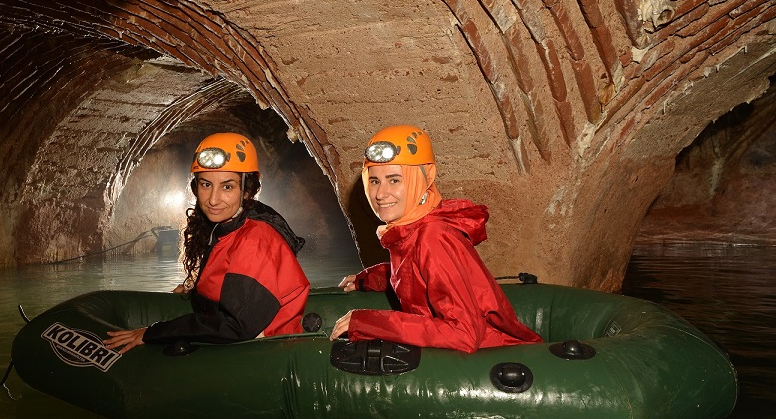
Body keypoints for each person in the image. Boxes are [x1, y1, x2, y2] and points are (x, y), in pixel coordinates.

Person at [331, 124, 541, 353]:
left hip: (493, 357)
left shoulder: (433, 237)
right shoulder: (414, 227)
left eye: (394, 180)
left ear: (425, 178)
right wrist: (370, 279)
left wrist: (368, 322)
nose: (380, 194)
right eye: (374, 181)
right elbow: (414, 273)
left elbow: (464, 335)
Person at [104, 132, 310, 354]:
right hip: (250, 336)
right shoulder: (228, 227)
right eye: (206, 184)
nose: (213, 199)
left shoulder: (256, 238)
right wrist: (197, 289)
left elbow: (237, 326)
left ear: (247, 190)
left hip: (267, 349)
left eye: (227, 187)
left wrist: (156, 331)